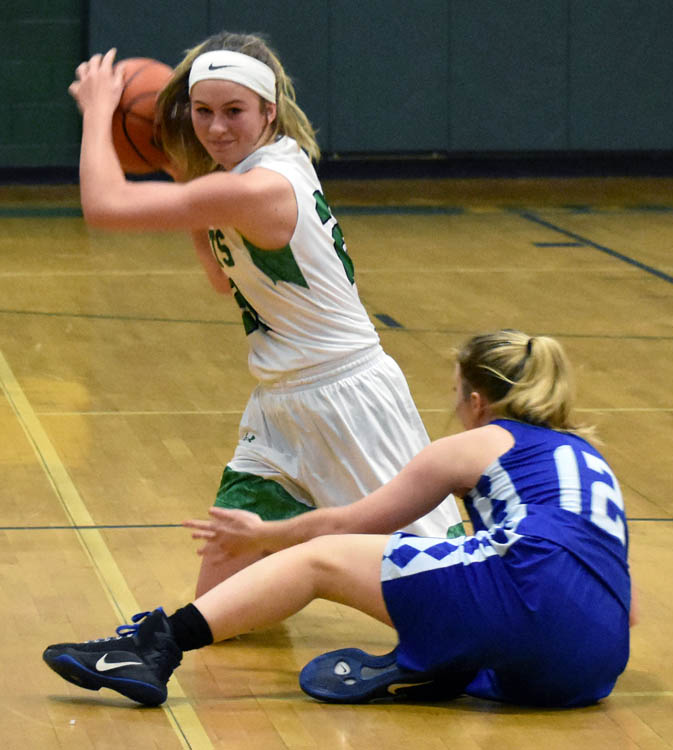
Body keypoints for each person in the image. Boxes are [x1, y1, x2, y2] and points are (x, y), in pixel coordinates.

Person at [67, 33, 464, 596]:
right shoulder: (262, 167)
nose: (215, 128)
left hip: (345, 400)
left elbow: (105, 207)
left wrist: (98, 110)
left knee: (446, 586)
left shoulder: (261, 188)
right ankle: (311, 554)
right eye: (202, 111)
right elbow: (220, 277)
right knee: (218, 603)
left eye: (234, 111)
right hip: (281, 404)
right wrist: (186, 178)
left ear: (268, 111)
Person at [43, 329, 632, 709]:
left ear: (477, 401)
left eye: (456, 394)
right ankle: (443, 661)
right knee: (490, 585)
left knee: (317, 560)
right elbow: (620, 599)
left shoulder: (476, 444)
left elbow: (347, 526)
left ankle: (154, 647)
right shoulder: (588, 460)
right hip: (592, 665)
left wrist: (265, 533)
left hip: (527, 597)